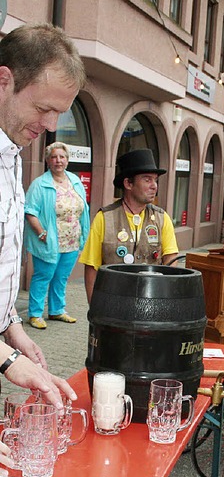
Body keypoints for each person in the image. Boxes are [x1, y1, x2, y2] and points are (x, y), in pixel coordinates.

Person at [0, 22, 85, 431]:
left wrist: (11, 326)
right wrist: (9, 362)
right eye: (43, 108)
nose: (51, 125)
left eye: (60, 113)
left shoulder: (11, 153)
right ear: (4, 81)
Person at [79, 149, 179, 303]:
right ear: (128, 183)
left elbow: (171, 260)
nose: (154, 186)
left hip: (150, 303)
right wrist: (95, 310)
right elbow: (92, 267)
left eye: (155, 180)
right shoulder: (105, 218)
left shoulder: (162, 218)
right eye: (147, 179)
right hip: (113, 303)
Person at [24, 142, 89, 330]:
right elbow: (30, 211)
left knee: (61, 277)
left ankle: (56, 310)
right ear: (47, 161)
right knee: (43, 276)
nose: (58, 161)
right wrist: (41, 232)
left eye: (62, 157)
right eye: (54, 157)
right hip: (49, 240)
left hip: (72, 240)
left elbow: (83, 209)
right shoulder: (40, 184)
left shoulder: (75, 181)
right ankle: (35, 314)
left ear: (67, 160)